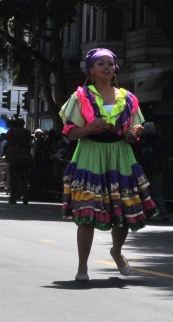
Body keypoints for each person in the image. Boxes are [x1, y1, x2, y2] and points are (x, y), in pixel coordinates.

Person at [60, 48, 153, 281]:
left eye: (110, 63)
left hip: (120, 156)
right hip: (91, 154)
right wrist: (90, 128)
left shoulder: (128, 98)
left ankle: (117, 251)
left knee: (121, 210)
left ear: (115, 69)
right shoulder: (81, 97)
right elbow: (71, 134)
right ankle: (82, 267)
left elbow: (132, 135)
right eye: (101, 63)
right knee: (87, 212)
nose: (106, 67)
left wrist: (135, 133)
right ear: (91, 69)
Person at [133, 121, 170, 222]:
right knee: (158, 193)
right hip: (156, 171)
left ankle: (142, 213)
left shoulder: (139, 143)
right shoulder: (159, 142)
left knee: (141, 193)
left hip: (142, 171)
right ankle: (163, 214)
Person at [5, 117, 34, 204]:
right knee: (24, 180)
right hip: (25, 158)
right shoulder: (27, 132)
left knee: (14, 179)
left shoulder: (13, 132)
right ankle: (25, 197)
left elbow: (7, 140)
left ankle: (13, 197)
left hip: (15, 158)